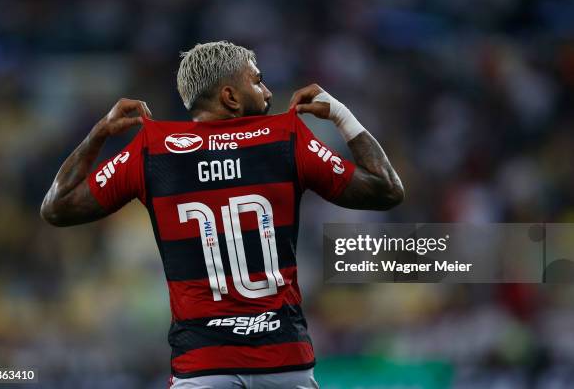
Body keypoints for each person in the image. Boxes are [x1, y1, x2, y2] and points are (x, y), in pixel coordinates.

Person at [41, 41, 404, 388]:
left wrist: (99, 133)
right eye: (257, 80)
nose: (267, 92)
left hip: (202, 365)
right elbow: (387, 189)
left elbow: (57, 207)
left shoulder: (153, 150)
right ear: (230, 97)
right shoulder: (285, 137)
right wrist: (342, 115)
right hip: (284, 361)